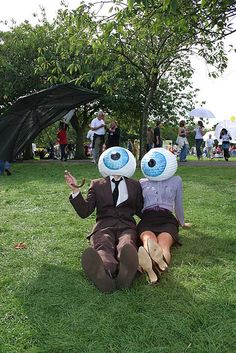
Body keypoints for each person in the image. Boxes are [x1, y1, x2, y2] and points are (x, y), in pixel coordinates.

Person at [65, 146, 143, 293]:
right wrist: (75, 190)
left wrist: (159, 216)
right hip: (103, 226)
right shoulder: (96, 184)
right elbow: (85, 211)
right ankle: (104, 271)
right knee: (103, 245)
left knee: (127, 244)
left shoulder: (135, 185)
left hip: (127, 226)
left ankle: (125, 272)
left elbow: (140, 210)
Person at [137, 148, 191, 284]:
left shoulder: (176, 180)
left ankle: (152, 269)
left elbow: (178, 203)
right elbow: (137, 205)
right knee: (148, 240)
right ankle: (155, 269)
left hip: (167, 219)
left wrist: (182, 222)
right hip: (147, 218)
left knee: (163, 243)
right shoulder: (142, 182)